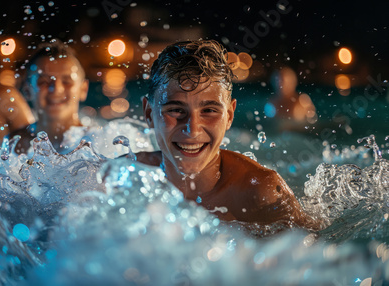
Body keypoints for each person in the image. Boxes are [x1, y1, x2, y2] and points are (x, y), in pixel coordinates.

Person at [137, 40, 321, 230]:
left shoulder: (260, 192)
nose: (192, 130)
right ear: (149, 114)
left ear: (229, 116)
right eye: (175, 110)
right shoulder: (119, 181)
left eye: (209, 110)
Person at [12, 41, 89, 153]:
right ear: (27, 91)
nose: (56, 89)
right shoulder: (14, 145)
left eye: (66, 82)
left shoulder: (98, 143)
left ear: (83, 89)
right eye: (44, 82)